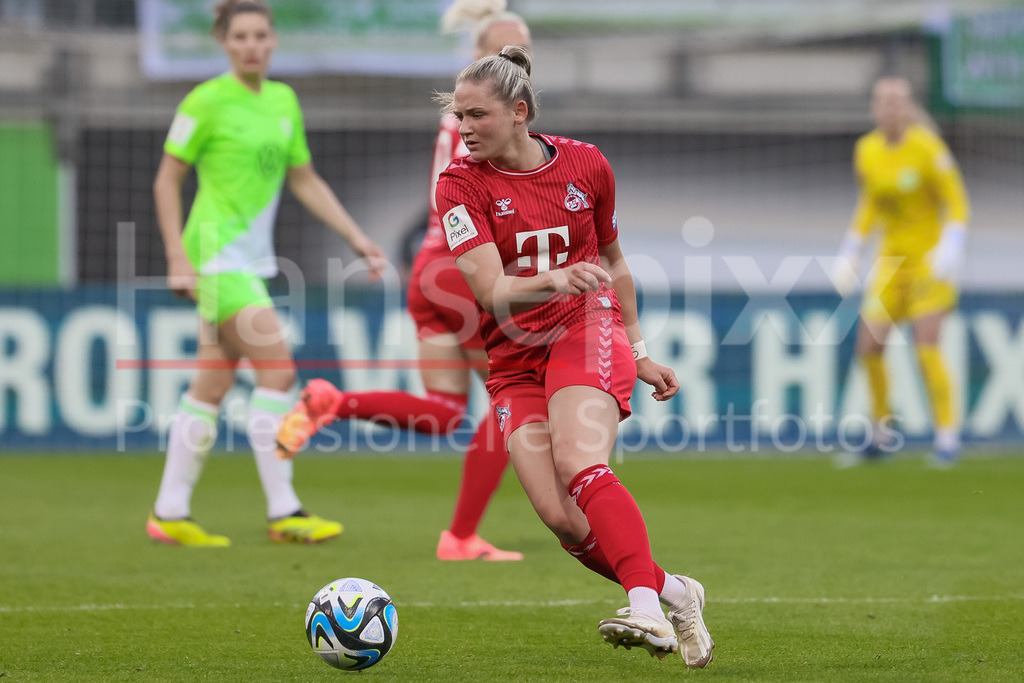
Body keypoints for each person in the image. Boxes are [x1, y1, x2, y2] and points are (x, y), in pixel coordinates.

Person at [431, 45, 714, 666]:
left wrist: (638, 351)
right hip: (511, 358)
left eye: (477, 115)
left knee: (580, 460)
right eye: (460, 115)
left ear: (519, 111)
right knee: (561, 519)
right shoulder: (457, 185)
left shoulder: (586, 165)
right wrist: (554, 279)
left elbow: (613, 261)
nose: (465, 128)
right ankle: (675, 591)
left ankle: (645, 611)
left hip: (587, 328)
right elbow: (488, 289)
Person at [274, 0, 530, 562]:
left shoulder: (461, 116)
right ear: (477, 56)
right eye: (507, 53)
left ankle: (334, 403)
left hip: (430, 269)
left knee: (444, 411)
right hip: (465, 271)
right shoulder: (495, 123)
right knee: (515, 401)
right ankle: (462, 536)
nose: (519, 63)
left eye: (523, 55)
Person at [145, 0, 386, 547]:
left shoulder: (283, 101)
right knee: (278, 371)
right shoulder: (205, 101)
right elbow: (166, 181)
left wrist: (356, 237)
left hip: (249, 263)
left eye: (261, 35)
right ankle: (284, 510)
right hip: (212, 256)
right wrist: (176, 257)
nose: (252, 44)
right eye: (241, 36)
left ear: (274, 40)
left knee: (212, 383)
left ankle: (169, 512)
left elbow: (304, 179)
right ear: (224, 43)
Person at [831, 77, 969, 467]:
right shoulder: (867, 150)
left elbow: (957, 203)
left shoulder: (928, 148)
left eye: (897, 102)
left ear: (908, 108)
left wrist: (951, 246)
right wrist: (851, 250)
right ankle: (880, 433)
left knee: (927, 348)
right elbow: (870, 204)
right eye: (883, 101)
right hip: (889, 263)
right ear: (875, 109)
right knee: (868, 347)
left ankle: (946, 438)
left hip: (928, 263)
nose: (890, 108)